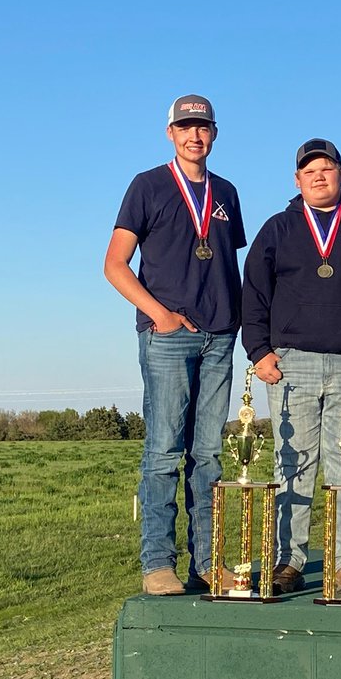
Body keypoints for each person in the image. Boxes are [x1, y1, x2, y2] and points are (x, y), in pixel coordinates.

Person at [104, 94, 247, 595]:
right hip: (167, 337)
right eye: (185, 127)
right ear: (170, 133)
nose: (195, 136)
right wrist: (159, 314)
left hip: (219, 337)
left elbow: (226, 264)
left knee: (209, 457)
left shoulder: (226, 192)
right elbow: (114, 265)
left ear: (214, 134)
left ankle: (208, 563)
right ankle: (157, 563)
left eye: (203, 128)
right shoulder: (147, 186)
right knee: (164, 453)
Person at [242, 139, 341, 592]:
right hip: (292, 363)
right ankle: (288, 561)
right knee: (292, 464)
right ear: (297, 179)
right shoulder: (278, 228)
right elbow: (254, 292)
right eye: (310, 171)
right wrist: (258, 351)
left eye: (327, 168)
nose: (319, 176)